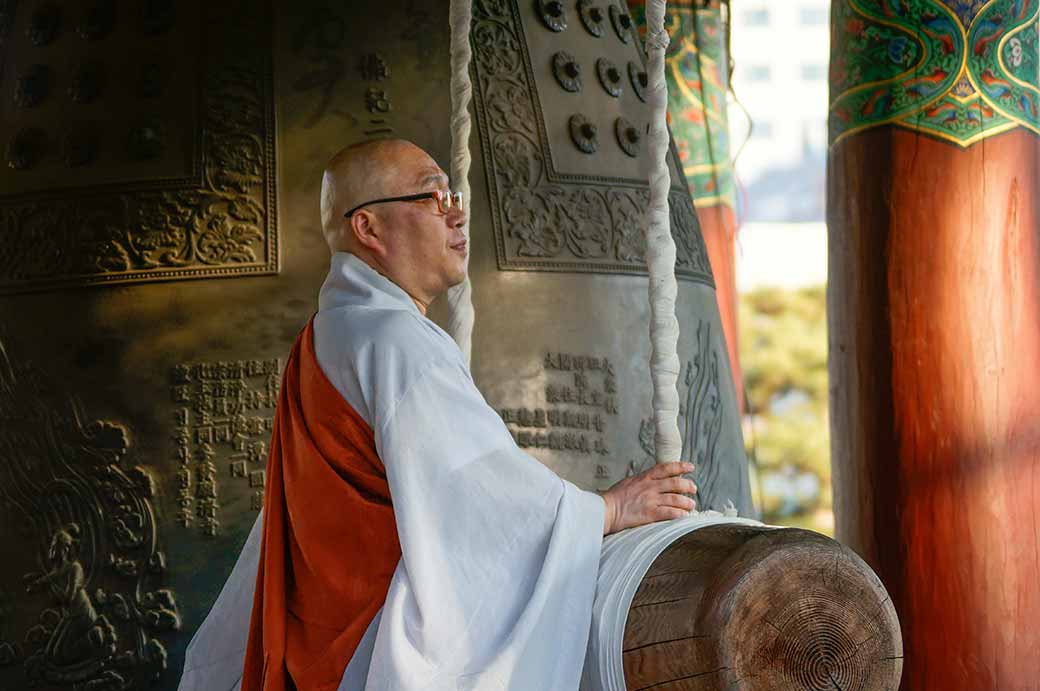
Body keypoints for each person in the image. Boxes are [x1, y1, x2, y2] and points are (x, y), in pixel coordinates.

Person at [177, 139, 697, 691]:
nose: (456, 209)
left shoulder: (325, 336)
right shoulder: (394, 340)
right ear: (369, 229)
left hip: (326, 649)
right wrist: (608, 510)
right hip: (372, 653)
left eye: (452, 192)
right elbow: (480, 495)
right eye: (432, 195)